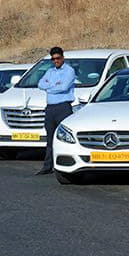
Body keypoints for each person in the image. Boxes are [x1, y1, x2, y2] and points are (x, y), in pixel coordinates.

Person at [36, 47, 75, 175]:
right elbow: (40, 84)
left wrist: (49, 87)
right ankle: (47, 165)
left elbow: (64, 87)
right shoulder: (50, 71)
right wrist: (54, 85)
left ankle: (66, 164)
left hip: (63, 107)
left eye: (58, 58)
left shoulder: (69, 71)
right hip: (50, 108)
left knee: (65, 137)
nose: (55, 61)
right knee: (50, 138)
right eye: (53, 59)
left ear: (62, 58)